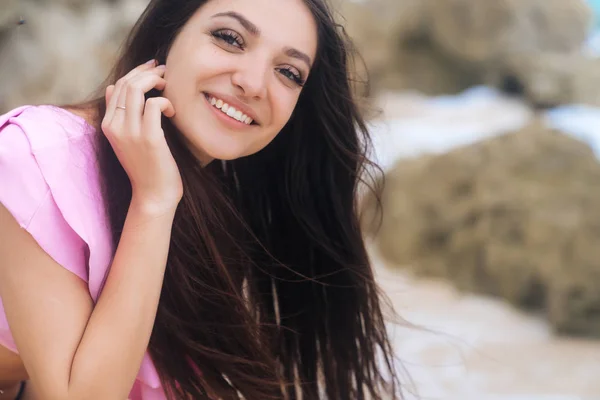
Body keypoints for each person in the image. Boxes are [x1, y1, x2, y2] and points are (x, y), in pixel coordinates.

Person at [0, 0, 401, 398]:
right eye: (229, 38)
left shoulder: (223, 201)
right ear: (167, 36)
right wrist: (153, 202)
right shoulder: (37, 154)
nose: (254, 83)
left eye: (288, 72)